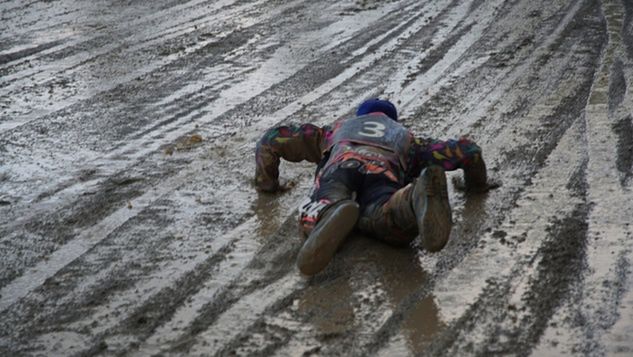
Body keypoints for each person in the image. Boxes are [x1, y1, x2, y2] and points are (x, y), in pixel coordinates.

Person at [255, 99, 496, 275]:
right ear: (393, 121)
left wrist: (268, 184)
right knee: (386, 213)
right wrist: (476, 185)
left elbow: (271, 139)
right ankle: (413, 199)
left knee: (325, 198)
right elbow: (469, 151)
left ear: (359, 116)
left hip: (341, 166)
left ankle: (329, 210)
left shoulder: (332, 131)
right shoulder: (408, 139)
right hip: (384, 172)